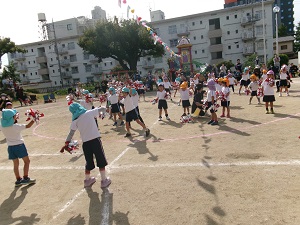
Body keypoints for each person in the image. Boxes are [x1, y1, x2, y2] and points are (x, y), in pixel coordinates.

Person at [64, 102, 111, 188]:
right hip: (95, 141)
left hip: (86, 143)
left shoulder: (75, 121)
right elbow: (102, 109)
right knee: (100, 159)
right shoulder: (89, 113)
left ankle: (87, 180)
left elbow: (71, 133)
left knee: (88, 161)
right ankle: (104, 180)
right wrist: (105, 109)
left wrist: (67, 143)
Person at [1, 109, 36, 187]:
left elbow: (4, 120)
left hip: (10, 147)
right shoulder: (15, 126)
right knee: (27, 161)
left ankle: (18, 180)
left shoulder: (2, 126)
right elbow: (28, 126)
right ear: (12, 118)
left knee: (15, 164)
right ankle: (26, 178)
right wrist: (34, 119)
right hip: (19, 146)